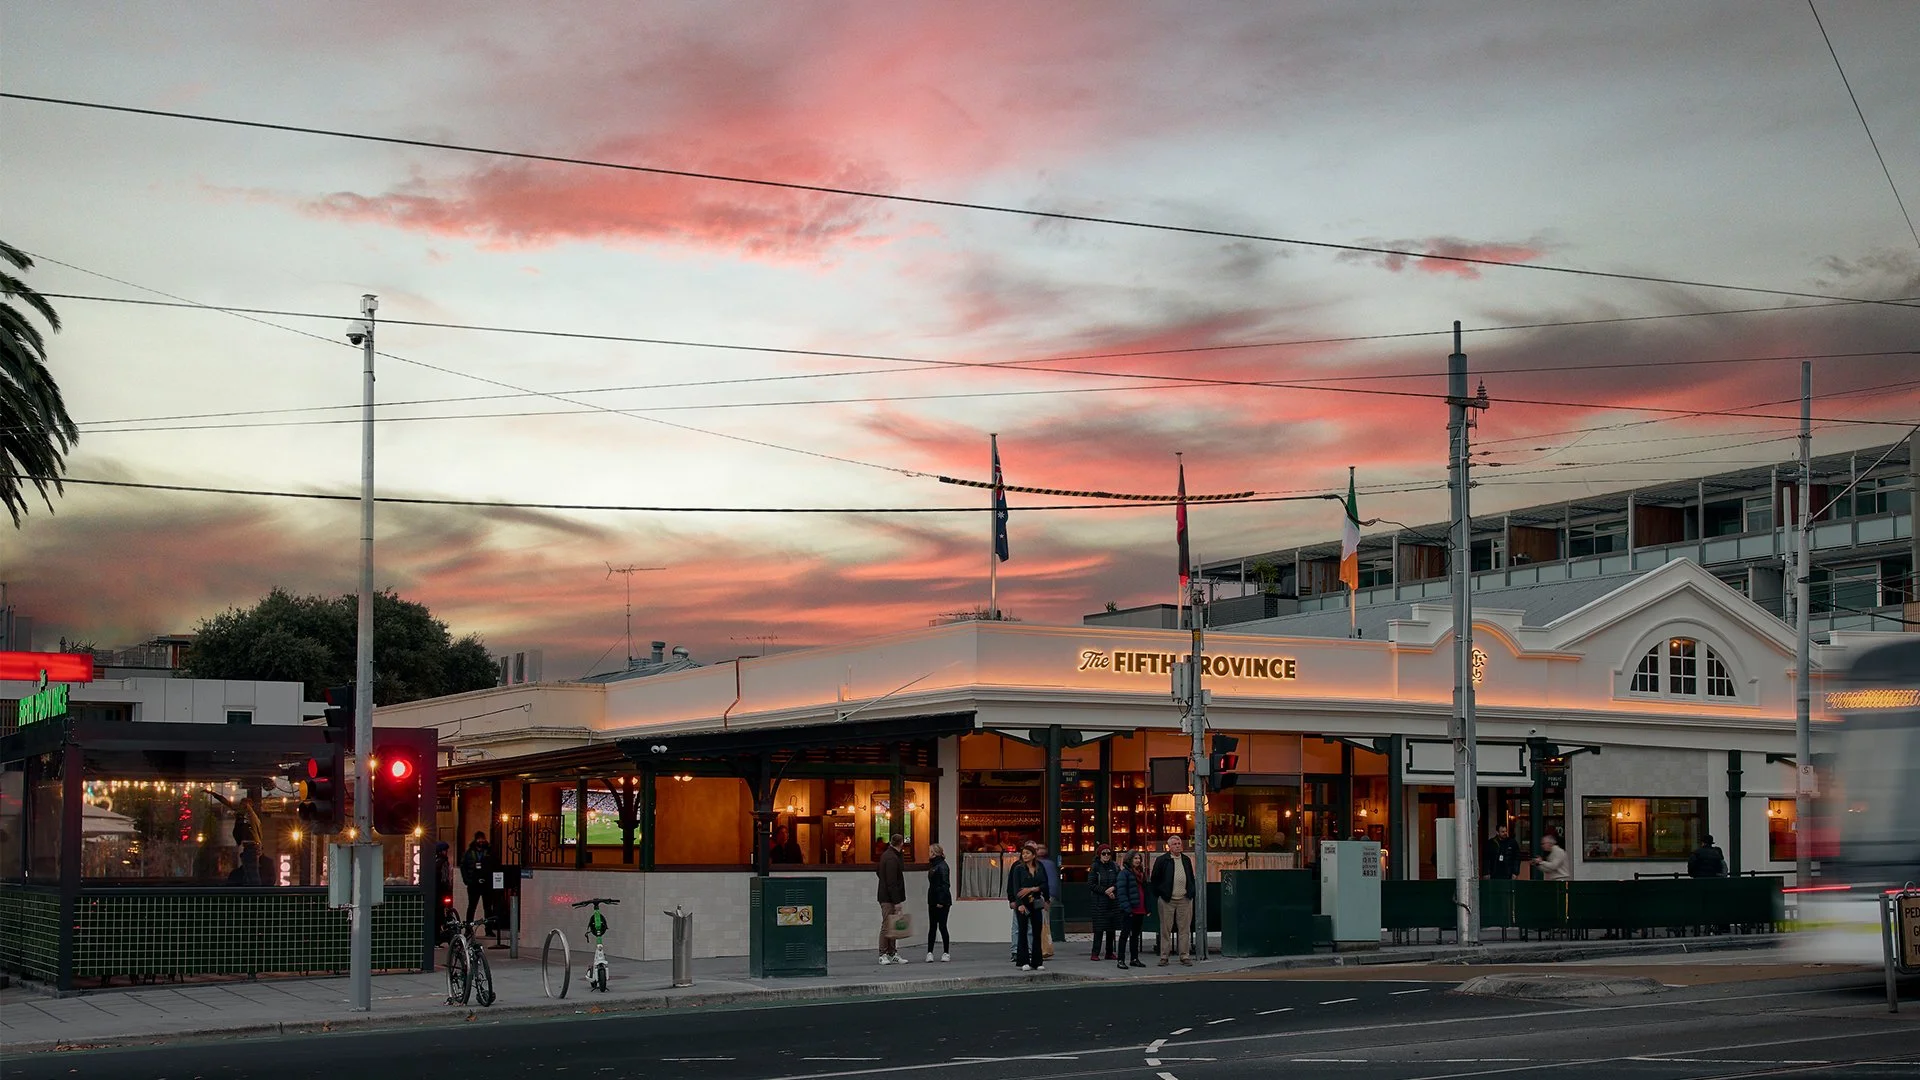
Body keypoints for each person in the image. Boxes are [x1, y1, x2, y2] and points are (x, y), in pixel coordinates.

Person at [1150, 834, 1198, 966]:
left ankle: (1184, 955)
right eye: (1175, 844)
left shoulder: (1186, 860)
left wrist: (1191, 891)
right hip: (1167, 899)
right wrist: (1161, 893)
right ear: (1169, 846)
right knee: (1166, 929)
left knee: (1185, 929)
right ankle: (1164, 956)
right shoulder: (1162, 860)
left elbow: (1191, 877)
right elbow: (1155, 879)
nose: (1178, 846)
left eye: (1179, 844)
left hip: (1184, 898)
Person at [1006, 842, 1050, 971]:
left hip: (1036, 902)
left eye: (1027, 853)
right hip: (1023, 903)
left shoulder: (1040, 867)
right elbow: (1015, 887)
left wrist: (1045, 898)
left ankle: (1037, 961)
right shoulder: (1018, 868)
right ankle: (1023, 960)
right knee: (1022, 931)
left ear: (1033, 855)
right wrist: (1018, 904)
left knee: (1037, 931)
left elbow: (1044, 884)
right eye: (1023, 853)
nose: (1024, 855)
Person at [876, 831, 908, 965]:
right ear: (901, 843)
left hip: (886, 895)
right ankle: (883, 953)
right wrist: (897, 901)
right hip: (889, 898)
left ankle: (891, 952)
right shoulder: (892, 858)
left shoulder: (889, 856)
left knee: (891, 924)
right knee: (887, 925)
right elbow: (892, 882)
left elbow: (879, 872)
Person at [1115, 850, 1150, 970]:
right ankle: (1121, 959)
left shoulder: (1141, 873)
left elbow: (1145, 891)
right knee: (1124, 935)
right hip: (1129, 909)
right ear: (1129, 860)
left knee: (1135, 935)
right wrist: (1127, 908)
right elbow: (1121, 892)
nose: (1138, 861)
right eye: (1135, 858)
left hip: (1140, 908)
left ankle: (1134, 959)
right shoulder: (1124, 874)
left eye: (1139, 858)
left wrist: (1147, 907)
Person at [1088, 844, 1121, 961]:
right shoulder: (1095, 867)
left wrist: (1113, 889)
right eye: (1104, 853)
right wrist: (1105, 891)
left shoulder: (1114, 866)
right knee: (1099, 928)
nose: (1106, 856)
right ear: (1099, 855)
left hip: (1112, 901)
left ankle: (1109, 952)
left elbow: (1119, 881)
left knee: (1111, 928)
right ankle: (1095, 952)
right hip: (1099, 902)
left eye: (1108, 853)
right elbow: (1091, 884)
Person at [925, 842, 953, 962]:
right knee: (932, 926)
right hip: (932, 899)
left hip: (942, 901)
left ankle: (946, 952)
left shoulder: (942, 866)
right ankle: (929, 952)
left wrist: (941, 901)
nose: (928, 853)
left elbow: (945, 885)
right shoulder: (934, 865)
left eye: (930, 851)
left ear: (934, 853)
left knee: (942, 926)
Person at [460, 832, 493, 925]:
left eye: (482, 839)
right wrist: (467, 881)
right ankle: (468, 928)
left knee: (488, 907)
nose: (481, 841)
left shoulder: (489, 851)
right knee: (471, 907)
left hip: (486, 884)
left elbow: (494, 866)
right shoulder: (469, 853)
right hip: (473, 884)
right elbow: (463, 867)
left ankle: (489, 929)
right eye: (479, 839)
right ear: (475, 840)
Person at [433, 842, 455, 942]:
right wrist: (448, 889)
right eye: (444, 850)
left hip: (435, 892)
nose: (446, 852)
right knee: (440, 914)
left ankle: (436, 937)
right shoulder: (443, 862)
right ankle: (439, 937)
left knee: (437, 914)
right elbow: (444, 879)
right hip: (441, 892)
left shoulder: (434, 861)